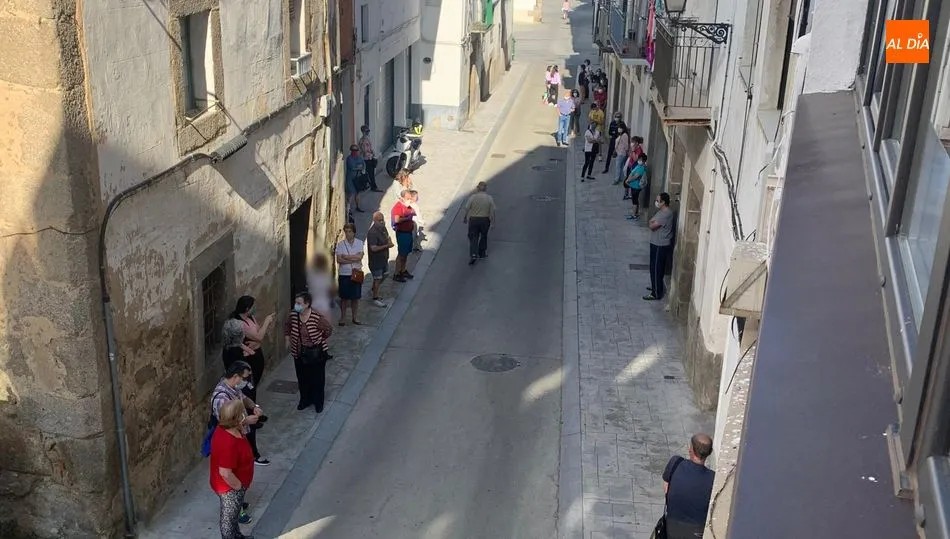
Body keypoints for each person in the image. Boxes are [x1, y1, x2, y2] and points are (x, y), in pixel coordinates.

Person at [209, 399, 256, 539]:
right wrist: (238, 487)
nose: (244, 414)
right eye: (242, 412)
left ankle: (238, 536)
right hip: (230, 489)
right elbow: (225, 472)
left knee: (234, 516)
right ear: (237, 417)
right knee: (228, 521)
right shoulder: (228, 442)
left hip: (235, 485)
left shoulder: (228, 427)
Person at [211, 361, 267, 467]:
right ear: (235, 376)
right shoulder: (221, 398)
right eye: (244, 378)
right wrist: (246, 421)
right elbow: (226, 422)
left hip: (240, 434)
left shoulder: (232, 387)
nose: (245, 381)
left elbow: (244, 398)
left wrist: (254, 407)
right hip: (230, 438)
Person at [285, 292, 334, 413]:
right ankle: (305, 400)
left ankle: (318, 402)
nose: (296, 305)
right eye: (295, 303)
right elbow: (287, 326)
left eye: (299, 303)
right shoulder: (293, 315)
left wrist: (319, 340)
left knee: (317, 378)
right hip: (298, 353)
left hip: (316, 353)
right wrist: (288, 338)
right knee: (302, 378)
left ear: (307, 304)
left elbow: (328, 330)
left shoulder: (317, 318)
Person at [662, 434, 715, 539]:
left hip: (672, 526)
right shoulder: (713, 478)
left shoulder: (675, 463)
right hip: (697, 531)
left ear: (691, 450)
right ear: (709, 453)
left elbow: (666, 488)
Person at [230, 296, 275, 405]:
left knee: (254, 384)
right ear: (247, 308)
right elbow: (259, 336)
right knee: (249, 385)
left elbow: (259, 334)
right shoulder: (240, 323)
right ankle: (250, 409)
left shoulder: (251, 317)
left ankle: (252, 407)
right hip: (248, 358)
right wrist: (266, 321)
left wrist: (258, 343)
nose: (255, 308)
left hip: (257, 354)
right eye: (253, 306)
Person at [645, 192, 675, 301]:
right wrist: (651, 222)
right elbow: (651, 221)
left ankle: (656, 293)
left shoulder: (666, 214)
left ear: (663, 202)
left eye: (658, 201)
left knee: (656, 268)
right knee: (654, 267)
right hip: (655, 242)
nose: (656, 202)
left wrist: (652, 223)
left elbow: (652, 225)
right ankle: (655, 286)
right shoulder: (660, 212)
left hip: (660, 244)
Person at [335, 223, 364, 325]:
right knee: (344, 298)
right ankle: (343, 318)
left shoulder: (359, 243)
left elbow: (360, 257)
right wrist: (353, 258)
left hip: (356, 273)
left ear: (354, 232)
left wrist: (346, 257)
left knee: (355, 298)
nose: (348, 234)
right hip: (344, 274)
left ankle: (355, 317)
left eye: (350, 232)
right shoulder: (340, 245)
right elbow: (339, 260)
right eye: (346, 232)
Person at [463, 181, 496, 264]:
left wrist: (465, 217)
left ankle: (473, 254)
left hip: (474, 220)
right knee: (484, 236)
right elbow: (492, 211)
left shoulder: (473, 197)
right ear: (485, 189)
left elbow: (467, 208)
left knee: (473, 237)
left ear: (477, 188)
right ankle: (482, 253)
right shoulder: (489, 198)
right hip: (485, 220)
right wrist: (492, 222)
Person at [366, 211, 394, 307]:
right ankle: (375, 298)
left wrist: (389, 241)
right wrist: (387, 246)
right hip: (376, 261)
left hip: (384, 258)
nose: (382, 222)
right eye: (380, 220)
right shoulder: (372, 233)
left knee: (385, 274)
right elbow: (373, 248)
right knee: (377, 278)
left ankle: (374, 289)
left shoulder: (383, 228)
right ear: (374, 221)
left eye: (382, 220)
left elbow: (387, 236)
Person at [390, 190, 417, 282]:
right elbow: (397, 220)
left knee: (406, 253)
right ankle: (397, 273)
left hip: (408, 232)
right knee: (401, 254)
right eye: (408, 198)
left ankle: (403, 270)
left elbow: (412, 211)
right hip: (402, 233)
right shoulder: (398, 207)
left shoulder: (407, 206)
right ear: (403, 198)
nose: (410, 200)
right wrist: (407, 218)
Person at [306, 253, 334, 319]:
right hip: (324, 305)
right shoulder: (327, 276)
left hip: (313, 304)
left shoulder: (311, 275)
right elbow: (331, 290)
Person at [624, 154, 648, 220]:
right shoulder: (639, 166)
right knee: (635, 200)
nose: (639, 160)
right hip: (633, 185)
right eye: (639, 159)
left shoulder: (641, 168)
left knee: (634, 201)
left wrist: (628, 180)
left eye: (640, 160)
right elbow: (632, 173)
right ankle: (635, 213)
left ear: (644, 161)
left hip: (636, 186)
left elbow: (635, 176)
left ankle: (634, 215)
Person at [358, 125, 382, 192]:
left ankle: (370, 186)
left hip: (369, 158)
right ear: (363, 132)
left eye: (368, 131)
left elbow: (369, 149)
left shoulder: (366, 139)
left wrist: (372, 154)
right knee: (370, 174)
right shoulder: (363, 140)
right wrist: (371, 154)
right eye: (367, 131)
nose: (368, 132)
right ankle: (373, 187)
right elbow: (365, 151)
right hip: (367, 159)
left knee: (369, 173)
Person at [344, 144, 365, 214]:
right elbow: (352, 167)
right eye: (353, 150)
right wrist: (358, 167)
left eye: (356, 150)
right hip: (351, 179)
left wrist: (359, 167)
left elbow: (363, 165)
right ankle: (348, 209)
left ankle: (357, 207)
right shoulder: (349, 158)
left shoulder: (360, 157)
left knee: (357, 193)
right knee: (351, 194)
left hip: (358, 178)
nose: (355, 151)